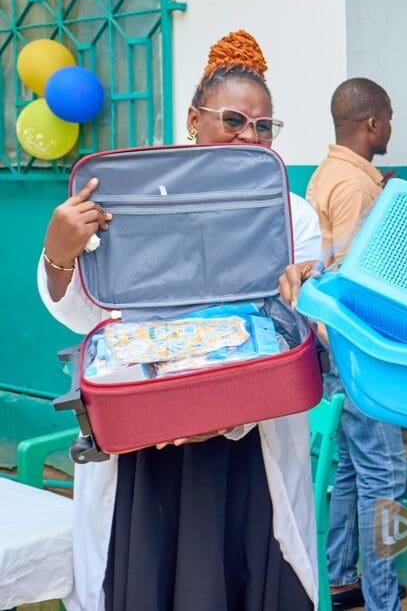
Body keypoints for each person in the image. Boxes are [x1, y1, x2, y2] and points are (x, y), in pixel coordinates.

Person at [39, 30, 323, 611]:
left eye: (264, 126)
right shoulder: (133, 196)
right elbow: (89, 318)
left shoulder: (291, 214)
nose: (250, 136)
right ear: (194, 120)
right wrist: (58, 252)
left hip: (248, 445)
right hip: (147, 438)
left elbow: (294, 331)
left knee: (248, 579)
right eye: (234, 119)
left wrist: (312, 298)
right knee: (147, 581)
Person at [305, 77, 407, 611]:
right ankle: (382, 598)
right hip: (357, 350)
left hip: (332, 346)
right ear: (373, 124)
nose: (391, 127)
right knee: (386, 475)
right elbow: (349, 277)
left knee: (350, 466)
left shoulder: (333, 173)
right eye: (388, 118)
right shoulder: (355, 187)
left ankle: (342, 580)